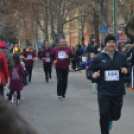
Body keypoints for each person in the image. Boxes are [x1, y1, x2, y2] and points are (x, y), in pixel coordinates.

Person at [86, 35, 130, 134]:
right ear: (105, 44)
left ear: (115, 44)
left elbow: (129, 69)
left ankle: (109, 119)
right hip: (103, 90)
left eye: (113, 42)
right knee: (103, 113)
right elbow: (89, 71)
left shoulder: (121, 57)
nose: (111, 44)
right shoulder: (98, 58)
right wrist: (93, 75)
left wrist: (126, 70)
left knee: (116, 116)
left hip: (117, 90)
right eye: (109, 42)